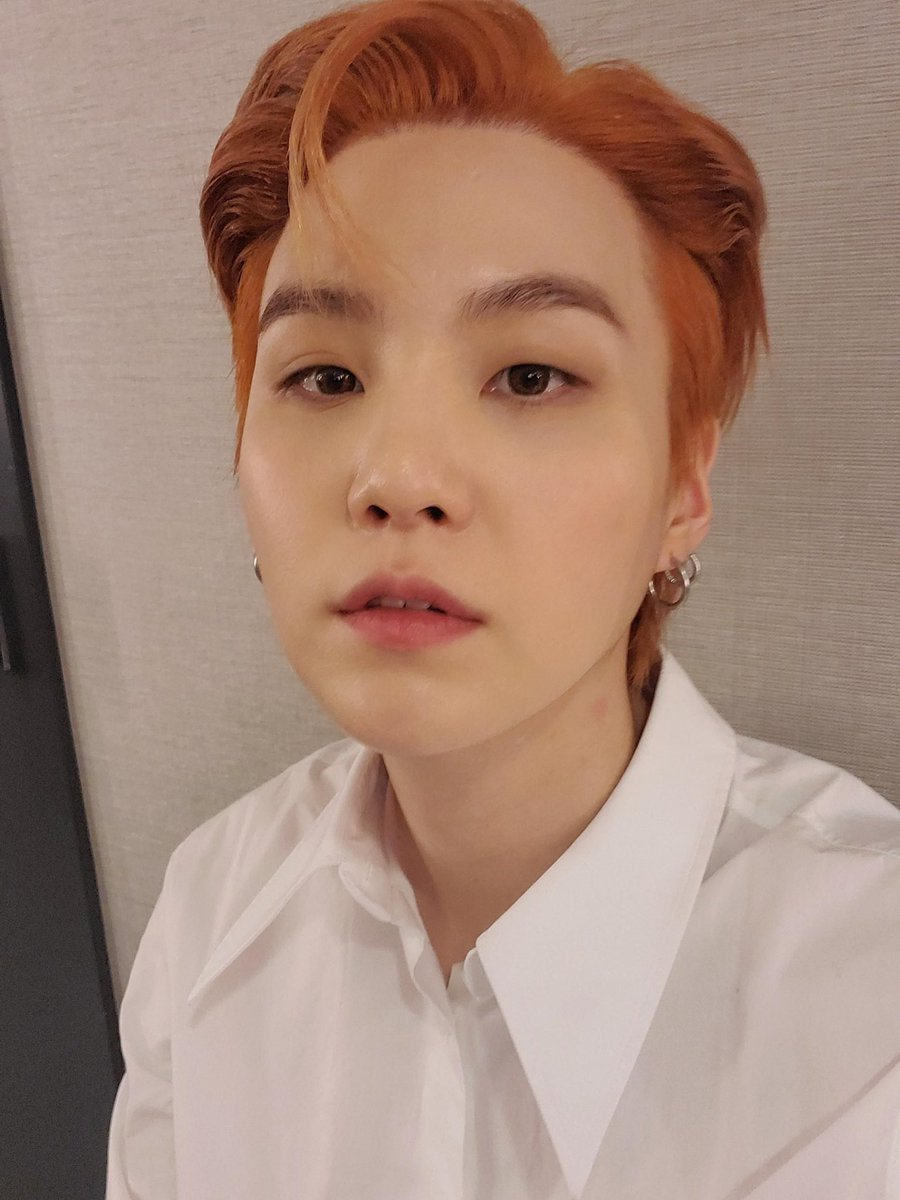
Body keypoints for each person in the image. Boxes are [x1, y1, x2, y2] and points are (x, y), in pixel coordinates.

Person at [105, 0, 900, 1196]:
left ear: (683, 486)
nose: (397, 476)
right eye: (325, 376)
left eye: (531, 375)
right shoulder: (210, 914)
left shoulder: (869, 1013)